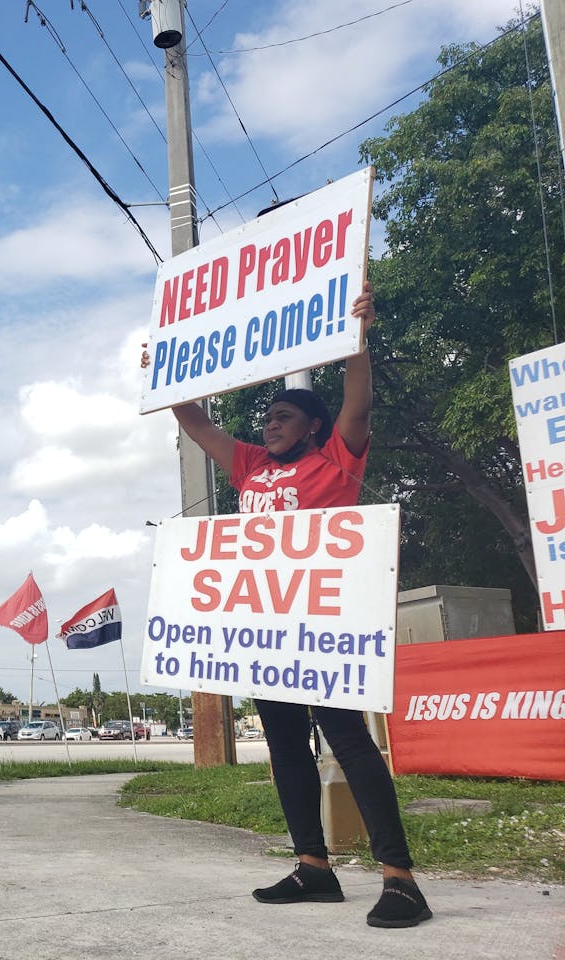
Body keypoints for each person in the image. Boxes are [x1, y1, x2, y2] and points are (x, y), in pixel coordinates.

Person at [144, 283, 431, 929]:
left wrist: (357, 337)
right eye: (268, 417)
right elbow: (195, 422)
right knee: (284, 746)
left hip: (323, 627)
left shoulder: (337, 459)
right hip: (266, 633)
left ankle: (400, 879)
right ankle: (314, 867)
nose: (270, 424)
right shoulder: (248, 466)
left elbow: (360, 402)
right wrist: (166, 377)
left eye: (283, 417)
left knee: (349, 741)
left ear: (314, 429)